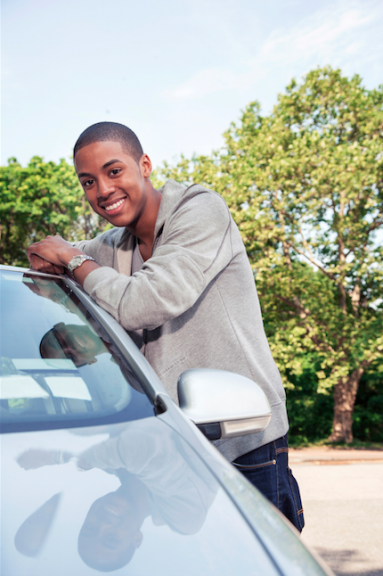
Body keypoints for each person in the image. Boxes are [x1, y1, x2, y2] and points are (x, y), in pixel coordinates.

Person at [27, 121, 304, 531]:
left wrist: (70, 261)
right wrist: (48, 257)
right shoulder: (110, 247)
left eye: (114, 171)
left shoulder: (200, 209)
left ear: (145, 164)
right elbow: (50, 257)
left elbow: (145, 302)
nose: (102, 190)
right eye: (88, 181)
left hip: (244, 444)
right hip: (169, 454)